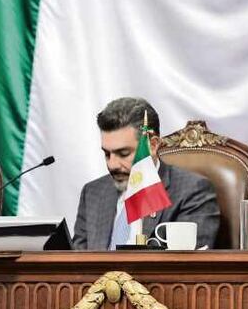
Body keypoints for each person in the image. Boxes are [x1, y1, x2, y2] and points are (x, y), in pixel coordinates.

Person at [72, 97, 219, 250]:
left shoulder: (192, 191)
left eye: (123, 153)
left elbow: (186, 261)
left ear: (153, 145)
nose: (112, 165)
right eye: (107, 154)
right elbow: (76, 260)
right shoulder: (93, 192)